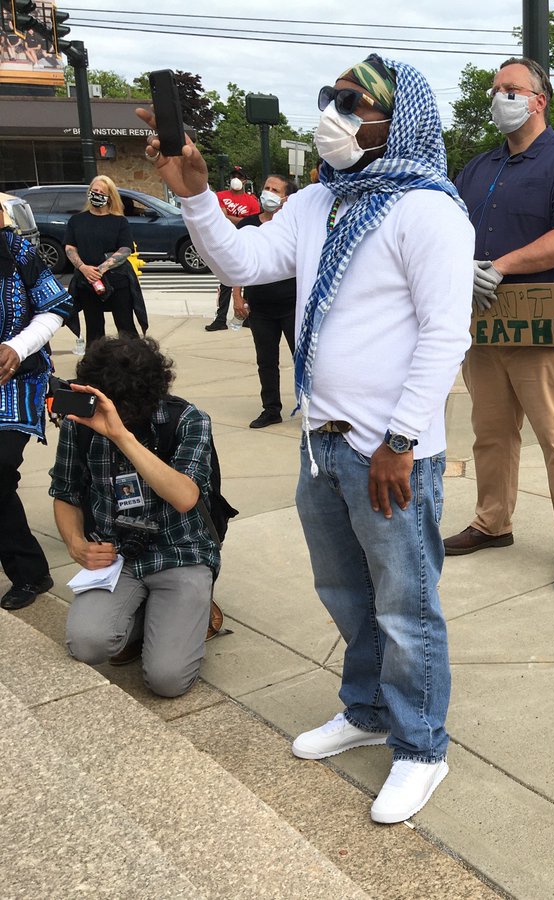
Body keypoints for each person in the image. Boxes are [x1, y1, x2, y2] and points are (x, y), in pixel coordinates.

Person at [142, 53, 474, 823]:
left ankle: (421, 747)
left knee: (406, 607)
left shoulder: (427, 210)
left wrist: (400, 441)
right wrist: (194, 196)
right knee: (346, 594)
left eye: (352, 103)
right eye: (331, 97)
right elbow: (246, 261)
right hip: (322, 444)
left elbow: (445, 335)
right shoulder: (321, 201)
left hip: (388, 452)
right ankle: (368, 710)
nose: (333, 113)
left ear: (397, 120)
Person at [447, 56, 554, 591]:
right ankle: (492, 522)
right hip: (485, 324)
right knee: (490, 434)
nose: (499, 98)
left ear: (539, 100)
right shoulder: (478, 167)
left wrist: (501, 266)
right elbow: (449, 227)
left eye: (510, 89)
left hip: (545, 327)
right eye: (495, 90)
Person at [52, 337, 219, 697]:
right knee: (87, 644)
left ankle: (191, 611)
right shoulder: (79, 425)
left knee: (167, 680)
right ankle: (149, 616)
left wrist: (121, 435)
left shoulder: (188, 420)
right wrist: (76, 544)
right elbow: (65, 492)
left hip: (180, 552)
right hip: (116, 556)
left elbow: (185, 497)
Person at [0, 220, 72, 610]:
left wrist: (18, 346)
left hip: (16, 379)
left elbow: (55, 308)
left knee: (0, 465)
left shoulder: (17, 252)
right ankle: (29, 572)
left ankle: (30, 572)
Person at [230, 174, 299, 428]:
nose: (268, 192)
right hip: (260, 306)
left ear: (286, 198)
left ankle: (312, 409)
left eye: (275, 190)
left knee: (302, 359)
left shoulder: (293, 226)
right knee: (266, 361)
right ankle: (271, 409)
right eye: (266, 187)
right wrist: (237, 295)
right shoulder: (248, 224)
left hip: (292, 305)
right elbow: (238, 262)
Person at [64, 176, 137, 347]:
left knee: (126, 326)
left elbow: (125, 249)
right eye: (94, 190)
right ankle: (95, 360)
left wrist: (101, 269)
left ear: (110, 196)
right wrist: (83, 268)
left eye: (102, 192)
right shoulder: (77, 220)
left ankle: (133, 359)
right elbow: (70, 247)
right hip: (87, 282)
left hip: (117, 281)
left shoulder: (119, 221)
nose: (97, 194)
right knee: (94, 327)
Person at [206, 170, 262, 332]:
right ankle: (220, 318)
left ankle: (247, 316)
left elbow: (252, 222)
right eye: (233, 177)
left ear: (245, 181)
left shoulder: (252, 200)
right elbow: (219, 217)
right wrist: (239, 220)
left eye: (240, 177)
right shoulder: (220, 196)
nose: (236, 179)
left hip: (245, 242)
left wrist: (228, 218)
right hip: (225, 242)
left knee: (248, 280)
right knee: (226, 280)